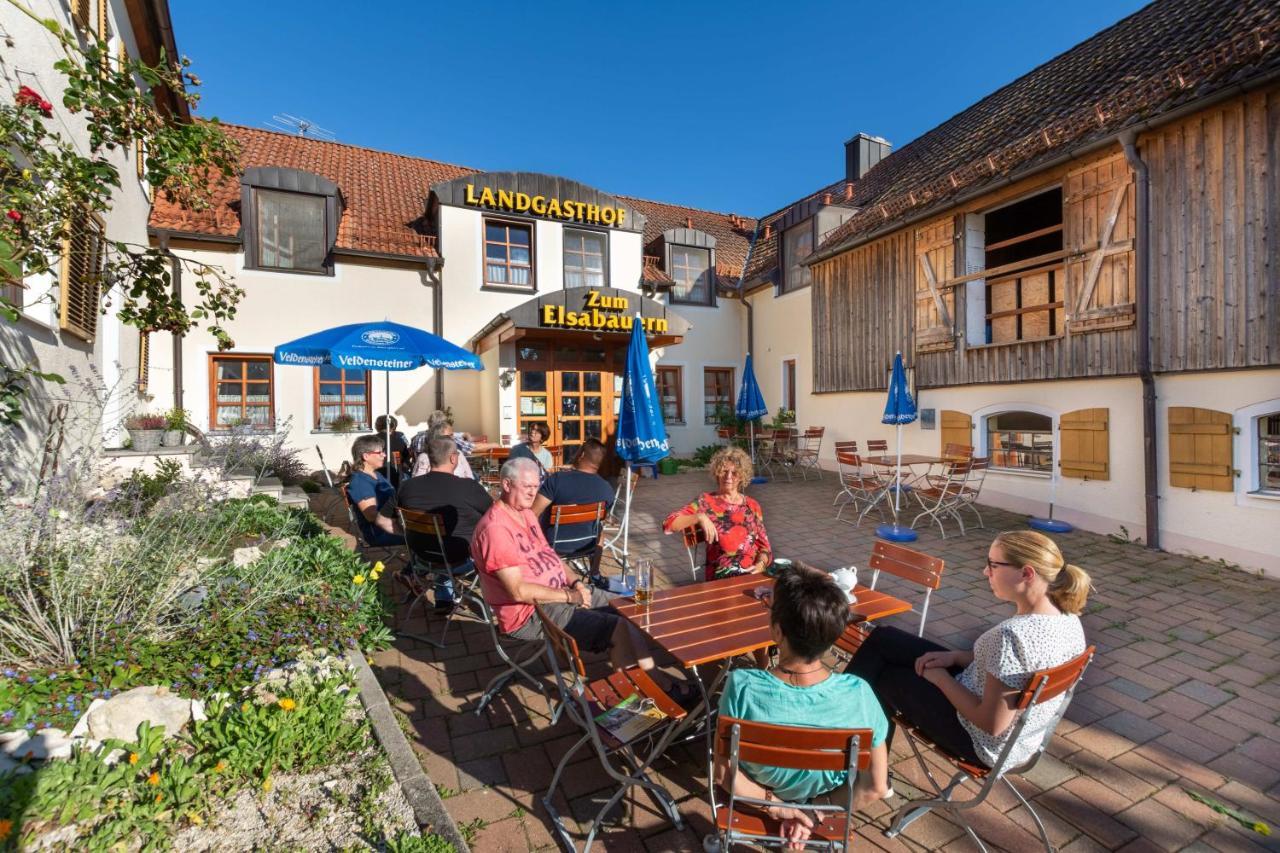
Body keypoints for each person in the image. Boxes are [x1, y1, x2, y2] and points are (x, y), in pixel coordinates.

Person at [845, 531, 1091, 771]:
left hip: (979, 742)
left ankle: (854, 766)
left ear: (1026, 573)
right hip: (1018, 739)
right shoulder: (1068, 620)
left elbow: (992, 724)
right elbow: (1008, 667)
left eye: (993, 565)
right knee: (885, 639)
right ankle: (840, 726)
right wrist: (954, 658)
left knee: (885, 677)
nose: (986, 572)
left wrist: (940, 678)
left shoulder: (1011, 636)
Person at [716, 565, 890, 848]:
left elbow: (724, 775)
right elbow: (876, 788)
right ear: (834, 635)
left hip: (756, 798)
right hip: (823, 802)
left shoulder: (741, 685)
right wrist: (813, 810)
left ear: (776, 631)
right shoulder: (860, 694)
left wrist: (779, 807)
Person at [471, 457, 658, 677]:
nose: (533, 493)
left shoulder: (526, 514)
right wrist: (570, 597)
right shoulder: (496, 529)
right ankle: (645, 691)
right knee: (617, 628)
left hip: (558, 595)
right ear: (506, 484)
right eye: (527, 487)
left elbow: (552, 556)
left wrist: (576, 583)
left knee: (626, 609)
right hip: (529, 613)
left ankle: (653, 682)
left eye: (536, 486)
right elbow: (518, 591)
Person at [393, 435, 492, 612]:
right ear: (454, 458)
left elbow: (388, 519)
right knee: (479, 543)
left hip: (421, 557)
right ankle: (496, 604)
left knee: (442, 542)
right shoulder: (468, 487)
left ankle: (444, 598)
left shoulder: (408, 487)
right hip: (459, 560)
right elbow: (494, 515)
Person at [662, 445, 772, 580]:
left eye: (735, 472)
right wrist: (699, 517)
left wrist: (761, 564)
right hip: (722, 576)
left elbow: (765, 548)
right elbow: (668, 524)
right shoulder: (706, 502)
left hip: (752, 574)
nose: (728, 477)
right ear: (717, 473)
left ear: (742, 476)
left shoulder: (752, 505)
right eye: (724, 471)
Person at [531, 438, 615, 581]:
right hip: (588, 544)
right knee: (600, 531)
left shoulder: (557, 480)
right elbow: (603, 518)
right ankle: (594, 574)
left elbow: (533, 513)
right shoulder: (606, 488)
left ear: (581, 455)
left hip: (553, 544)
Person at [345, 434, 404, 547]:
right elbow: (371, 515)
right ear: (366, 456)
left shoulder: (376, 474)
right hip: (381, 533)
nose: (384, 455)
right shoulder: (360, 482)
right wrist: (403, 527)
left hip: (394, 525)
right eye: (380, 452)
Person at [411, 421, 475, 481]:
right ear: (438, 438)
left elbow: (470, 477)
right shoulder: (425, 457)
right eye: (449, 435)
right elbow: (418, 482)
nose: (453, 438)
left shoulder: (459, 454)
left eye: (452, 435)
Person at [372, 415, 411, 486]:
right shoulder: (400, 439)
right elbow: (407, 455)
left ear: (377, 426)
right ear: (393, 426)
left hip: (376, 475)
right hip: (397, 475)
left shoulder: (371, 440)